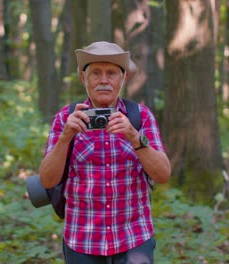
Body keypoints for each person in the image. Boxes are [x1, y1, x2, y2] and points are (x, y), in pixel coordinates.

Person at [39, 41, 171, 263]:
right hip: (82, 239)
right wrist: (66, 137)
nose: (103, 80)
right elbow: (47, 179)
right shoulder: (66, 118)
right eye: (96, 73)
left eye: (111, 73)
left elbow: (163, 174)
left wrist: (133, 135)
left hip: (134, 238)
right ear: (84, 79)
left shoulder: (140, 116)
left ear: (123, 79)